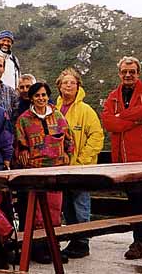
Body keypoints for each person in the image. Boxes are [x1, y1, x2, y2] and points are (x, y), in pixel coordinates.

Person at [101, 56, 142, 260]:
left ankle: (140, 242)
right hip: (124, 159)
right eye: (124, 72)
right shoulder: (113, 96)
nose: (128, 75)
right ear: (119, 73)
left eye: (132, 71)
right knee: (134, 199)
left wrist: (122, 117)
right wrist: (135, 119)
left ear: (138, 73)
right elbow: (109, 123)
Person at [14, 82, 74, 264]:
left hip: (56, 170)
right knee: (38, 212)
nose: (41, 98)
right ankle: (38, 249)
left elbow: (69, 139)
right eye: (37, 95)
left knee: (55, 210)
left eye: (44, 95)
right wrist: (22, 152)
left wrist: (67, 157)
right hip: (35, 171)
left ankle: (53, 248)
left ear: (48, 96)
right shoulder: (24, 119)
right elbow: (19, 143)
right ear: (31, 98)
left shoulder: (58, 116)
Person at [55, 67, 104, 259]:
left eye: (72, 82)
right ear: (59, 86)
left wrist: (83, 160)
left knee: (81, 203)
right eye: (65, 82)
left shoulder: (86, 110)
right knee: (66, 204)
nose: (69, 85)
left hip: (81, 168)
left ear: (78, 87)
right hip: (61, 168)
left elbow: (97, 136)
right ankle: (74, 240)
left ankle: (83, 243)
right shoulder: (55, 109)